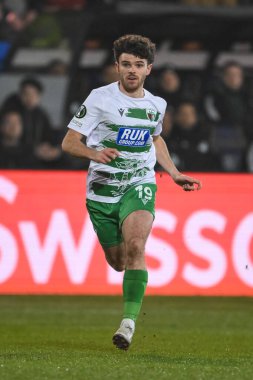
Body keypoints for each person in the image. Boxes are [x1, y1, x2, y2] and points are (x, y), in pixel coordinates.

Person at [62, 34, 202, 350]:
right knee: (119, 262)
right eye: (126, 64)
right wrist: (93, 153)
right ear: (117, 66)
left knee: (137, 245)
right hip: (101, 191)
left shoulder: (157, 104)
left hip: (139, 182)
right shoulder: (99, 98)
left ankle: (127, 324)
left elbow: (155, 139)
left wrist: (174, 172)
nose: (132, 71)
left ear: (148, 69)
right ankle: (126, 274)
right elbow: (69, 142)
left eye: (138, 65)